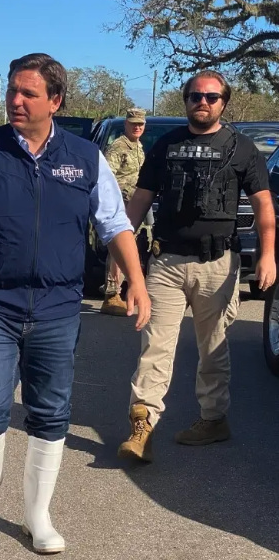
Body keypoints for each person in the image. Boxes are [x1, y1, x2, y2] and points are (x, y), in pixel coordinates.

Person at [0, 52, 150, 554]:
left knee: (50, 410)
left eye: (28, 93)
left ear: (55, 101)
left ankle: (38, 514)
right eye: (14, 90)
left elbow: (115, 223)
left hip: (58, 306)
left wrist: (137, 284)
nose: (15, 100)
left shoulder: (85, 157)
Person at [117, 70, 276, 463]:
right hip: (166, 262)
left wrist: (269, 254)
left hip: (219, 265)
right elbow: (139, 202)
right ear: (185, 100)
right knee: (155, 344)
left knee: (213, 349)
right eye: (195, 96)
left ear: (224, 102)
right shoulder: (166, 145)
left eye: (211, 97)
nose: (202, 102)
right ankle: (142, 425)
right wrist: (120, 254)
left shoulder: (243, 148)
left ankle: (213, 419)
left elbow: (263, 207)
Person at [101, 108, 149, 315]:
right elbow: (106, 179)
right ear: (126, 125)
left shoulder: (138, 147)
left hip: (137, 204)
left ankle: (134, 288)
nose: (137, 127)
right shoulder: (118, 147)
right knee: (119, 247)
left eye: (141, 124)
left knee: (135, 247)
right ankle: (112, 294)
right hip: (121, 205)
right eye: (133, 124)